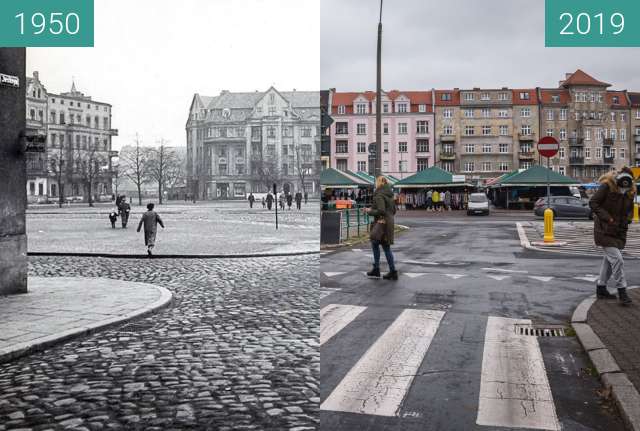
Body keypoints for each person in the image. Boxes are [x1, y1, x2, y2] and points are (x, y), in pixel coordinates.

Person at [589, 167, 637, 305]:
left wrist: (628, 219)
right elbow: (593, 203)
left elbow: (630, 210)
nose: (625, 187)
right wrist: (607, 218)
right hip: (604, 230)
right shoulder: (607, 186)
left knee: (609, 261)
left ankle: (601, 288)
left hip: (619, 231)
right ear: (618, 178)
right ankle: (622, 291)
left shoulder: (630, 190)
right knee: (618, 260)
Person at [365, 176, 397, 280]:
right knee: (386, 246)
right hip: (389, 222)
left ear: (378, 183)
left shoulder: (379, 195)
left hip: (381, 223)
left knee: (375, 244)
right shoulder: (390, 195)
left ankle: (377, 269)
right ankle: (392, 271)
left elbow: (381, 210)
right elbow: (394, 211)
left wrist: (369, 211)